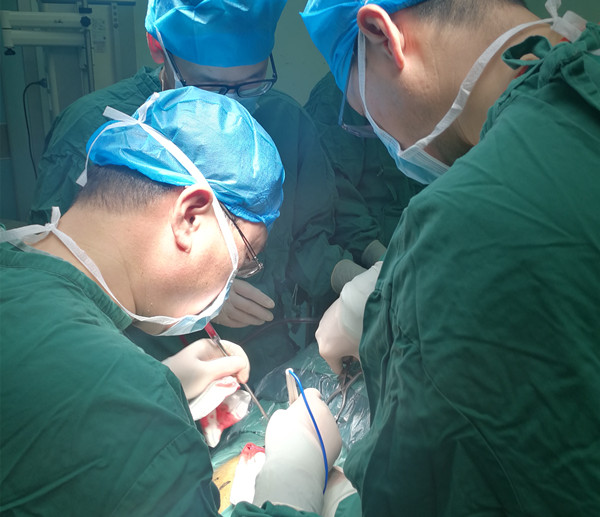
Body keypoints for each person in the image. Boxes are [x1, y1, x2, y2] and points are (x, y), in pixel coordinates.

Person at [251, 0, 599, 515]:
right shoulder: (582, 85)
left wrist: (304, 493)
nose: (387, 139)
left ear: (381, 33)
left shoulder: (460, 224)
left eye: (365, 112)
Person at [0, 86, 343, 516]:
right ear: (190, 217)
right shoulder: (142, 416)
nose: (229, 286)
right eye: (243, 261)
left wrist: (166, 382)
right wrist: (296, 486)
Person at [29, 0, 355, 386]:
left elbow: (311, 239)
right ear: (158, 49)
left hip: (268, 356)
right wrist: (197, 291)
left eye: (251, 84)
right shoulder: (88, 127)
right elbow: (67, 274)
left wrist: (352, 279)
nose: (229, 105)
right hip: (138, 364)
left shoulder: (286, 122)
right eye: (208, 87)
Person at [304, 71, 424, 268]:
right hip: (371, 258)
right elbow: (336, 198)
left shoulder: (418, 87)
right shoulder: (337, 96)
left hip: (422, 248)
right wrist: (381, 259)